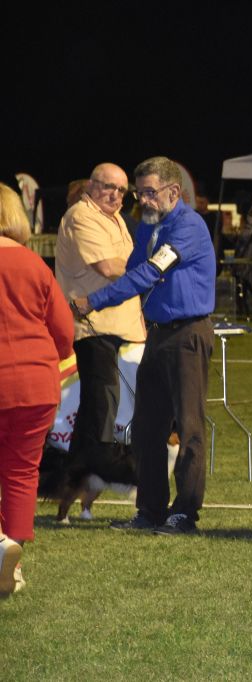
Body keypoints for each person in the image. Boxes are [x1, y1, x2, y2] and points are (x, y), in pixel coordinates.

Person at [72, 156, 216, 536]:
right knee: (146, 429)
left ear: (174, 191)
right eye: (141, 193)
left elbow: (149, 273)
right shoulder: (152, 226)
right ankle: (150, 511)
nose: (144, 200)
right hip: (158, 335)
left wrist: (93, 301)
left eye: (150, 193)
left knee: (189, 428)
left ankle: (184, 514)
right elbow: (136, 270)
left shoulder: (188, 227)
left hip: (187, 335)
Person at [0, 182, 75, 596]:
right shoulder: (34, 264)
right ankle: (12, 558)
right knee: (21, 472)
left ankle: (0, 545)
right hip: (35, 384)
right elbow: (63, 332)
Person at [56, 164, 146, 475]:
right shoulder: (82, 216)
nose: (116, 195)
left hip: (120, 326)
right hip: (95, 326)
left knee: (98, 406)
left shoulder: (114, 218)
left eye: (122, 190)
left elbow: (124, 264)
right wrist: (148, 267)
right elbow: (108, 267)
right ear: (92, 186)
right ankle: (96, 469)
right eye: (109, 187)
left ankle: (74, 477)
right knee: (101, 405)